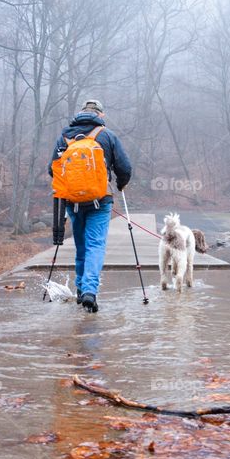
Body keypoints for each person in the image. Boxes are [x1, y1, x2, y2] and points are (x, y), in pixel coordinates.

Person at [48, 100, 132, 312]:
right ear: (100, 115)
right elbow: (125, 167)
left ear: (81, 114)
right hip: (100, 200)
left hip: (73, 202)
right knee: (95, 245)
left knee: (82, 246)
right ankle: (89, 291)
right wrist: (121, 183)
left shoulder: (64, 137)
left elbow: (52, 170)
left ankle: (80, 290)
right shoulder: (106, 135)